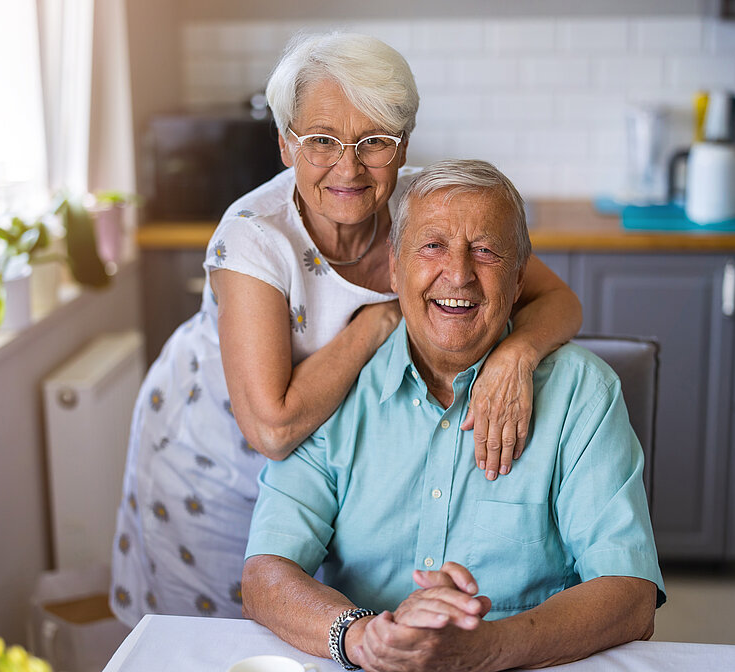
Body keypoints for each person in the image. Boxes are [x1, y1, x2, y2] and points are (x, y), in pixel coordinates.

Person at [110, 33, 583, 626]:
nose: (348, 166)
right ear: (285, 145)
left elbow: (559, 300)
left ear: (404, 144)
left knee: (328, 633)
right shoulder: (256, 235)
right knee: (223, 643)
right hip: (213, 469)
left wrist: (515, 355)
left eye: (374, 141)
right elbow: (272, 426)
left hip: (330, 477)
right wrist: (379, 320)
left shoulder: (424, 213)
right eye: (321, 141)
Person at [242, 160, 665, 672]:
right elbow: (265, 573)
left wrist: (490, 648)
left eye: (485, 251)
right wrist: (359, 637)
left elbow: (630, 594)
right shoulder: (337, 389)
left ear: (516, 282)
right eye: (432, 246)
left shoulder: (582, 392)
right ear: (395, 269)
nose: (459, 274)